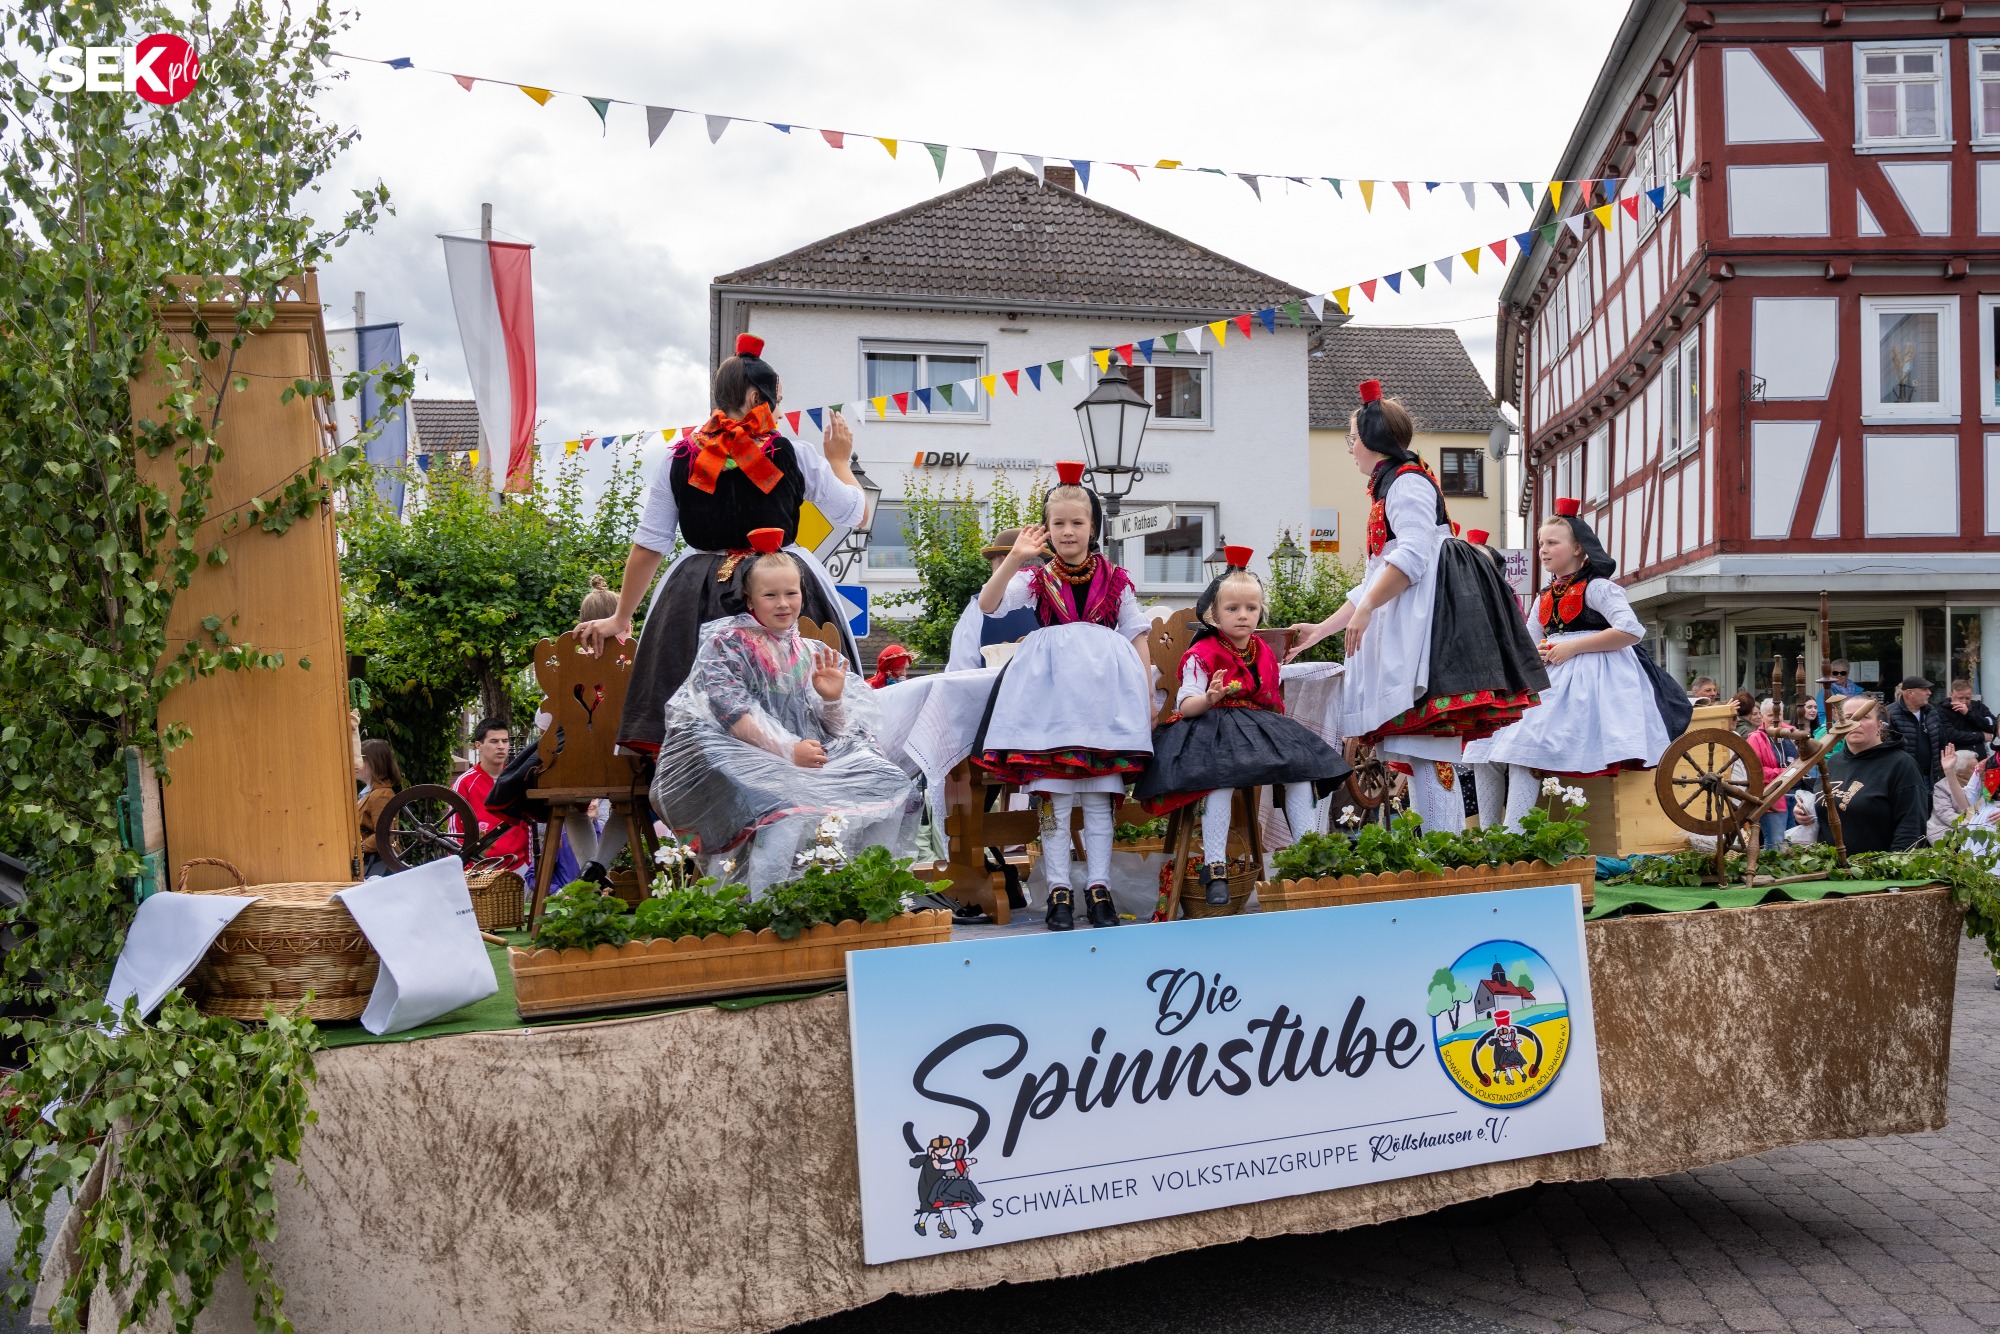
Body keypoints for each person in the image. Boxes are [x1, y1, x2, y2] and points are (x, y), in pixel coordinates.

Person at [577, 336, 867, 756]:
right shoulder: (794, 454)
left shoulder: (679, 458)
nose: (781, 412)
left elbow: (650, 545)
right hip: (779, 579)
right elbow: (854, 513)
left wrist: (622, 617)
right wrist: (839, 460)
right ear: (756, 398)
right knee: (807, 704)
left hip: (695, 592)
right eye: (778, 401)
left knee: (697, 717)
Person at [1287, 380, 1547, 834]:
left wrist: (1368, 608)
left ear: (1371, 440)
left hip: (1433, 625)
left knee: (1430, 748)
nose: (1350, 448)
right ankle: (1438, 848)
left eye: (1352, 438)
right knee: (1419, 747)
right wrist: (1323, 629)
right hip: (1413, 622)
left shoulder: (1407, 483)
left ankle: (1443, 850)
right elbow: (1375, 577)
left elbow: (1411, 556)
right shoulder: (1392, 485)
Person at [649, 530, 918, 893]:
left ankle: (870, 891)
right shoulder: (725, 645)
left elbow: (841, 731)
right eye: (770, 595)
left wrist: (831, 699)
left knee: (890, 783)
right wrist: (789, 750)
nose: (783, 604)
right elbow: (732, 713)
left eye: (791, 593)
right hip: (737, 761)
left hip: (803, 761)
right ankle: (767, 905)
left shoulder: (812, 652)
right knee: (785, 808)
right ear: (750, 599)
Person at [971, 462, 1155, 931]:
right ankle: (1058, 889)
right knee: (1053, 796)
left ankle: (1098, 887)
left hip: (1103, 704)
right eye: (1058, 523)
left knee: (1099, 797)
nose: (1068, 531)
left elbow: (1137, 636)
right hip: (1050, 705)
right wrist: (1015, 557)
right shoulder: (1033, 579)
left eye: (1077, 522)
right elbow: (988, 604)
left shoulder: (1117, 580)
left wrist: (1147, 698)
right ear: (1046, 529)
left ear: (1094, 527)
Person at [1133, 548, 1350, 904]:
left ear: (1260, 611)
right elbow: (1186, 705)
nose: (1243, 615)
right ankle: (1215, 867)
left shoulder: (1263, 652)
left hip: (1256, 728)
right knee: (1219, 781)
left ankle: (1309, 859)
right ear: (1214, 615)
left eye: (1251, 608)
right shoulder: (1202, 653)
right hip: (1211, 730)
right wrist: (1209, 697)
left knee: (1301, 771)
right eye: (1233, 609)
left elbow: (1271, 701)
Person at [1464, 499, 1686, 831]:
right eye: (1541, 543)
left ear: (1579, 548)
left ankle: (1512, 835)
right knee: (1485, 747)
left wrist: (1571, 648)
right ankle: (1488, 833)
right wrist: (1535, 651)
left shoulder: (1599, 587)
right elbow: (1527, 642)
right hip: (1553, 678)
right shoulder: (1545, 596)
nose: (1543, 550)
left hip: (1596, 679)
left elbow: (1630, 630)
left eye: (1552, 542)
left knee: (1524, 747)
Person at [1822, 696, 1928, 853]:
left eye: (1864, 717)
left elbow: (1911, 827)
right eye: (1849, 717)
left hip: (1877, 866)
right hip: (1830, 864)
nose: (1855, 723)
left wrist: (1894, 864)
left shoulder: (1901, 765)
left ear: (1879, 725)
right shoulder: (1832, 763)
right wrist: (1806, 815)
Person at [947, 528, 1041, 673]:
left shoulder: (978, 606)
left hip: (994, 687)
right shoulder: (1058, 597)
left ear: (1004, 560)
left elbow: (960, 669)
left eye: (992, 563)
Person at [451, 719, 531, 872]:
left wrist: (530, 866)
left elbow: (529, 826)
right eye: (494, 741)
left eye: (505, 741)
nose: (501, 746)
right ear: (478, 745)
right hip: (478, 870)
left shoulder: (519, 780)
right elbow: (455, 833)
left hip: (519, 866)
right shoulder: (464, 783)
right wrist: (467, 870)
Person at [1745, 699, 1795, 852]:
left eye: (1779, 714)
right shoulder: (1755, 738)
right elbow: (1756, 771)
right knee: (1776, 844)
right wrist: (1785, 773)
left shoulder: (1791, 734)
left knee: (1795, 843)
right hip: (1771, 799)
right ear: (1761, 717)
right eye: (1770, 715)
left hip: (1794, 796)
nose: (1776, 719)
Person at [355, 738, 405, 878]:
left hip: (377, 864)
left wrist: (357, 849)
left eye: (360, 760)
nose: (355, 764)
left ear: (375, 764)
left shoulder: (382, 795)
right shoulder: (369, 793)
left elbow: (383, 835)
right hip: (370, 862)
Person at [1886, 675, 1945, 785]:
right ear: (1909, 693)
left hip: (1931, 777)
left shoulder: (1931, 711)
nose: (1929, 693)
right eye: (1924, 689)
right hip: (1904, 778)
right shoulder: (1890, 714)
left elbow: (1941, 742)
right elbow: (1888, 748)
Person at [1927, 744, 1979, 844]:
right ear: (1961, 772)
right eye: (1974, 768)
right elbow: (1945, 813)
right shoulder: (1942, 787)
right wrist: (1969, 825)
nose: (1978, 770)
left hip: (1976, 828)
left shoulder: (1978, 783)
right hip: (1947, 830)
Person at [1939, 677, 1994, 760]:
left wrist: (1969, 714)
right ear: (1951, 694)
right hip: (1957, 759)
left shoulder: (1978, 706)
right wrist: (1981, 736)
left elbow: (1992, 725)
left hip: (1981, 757)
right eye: (1960, 698)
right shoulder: (1942, 710)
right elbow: (1952, 735)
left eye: (1967, 698)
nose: (1964, 702)